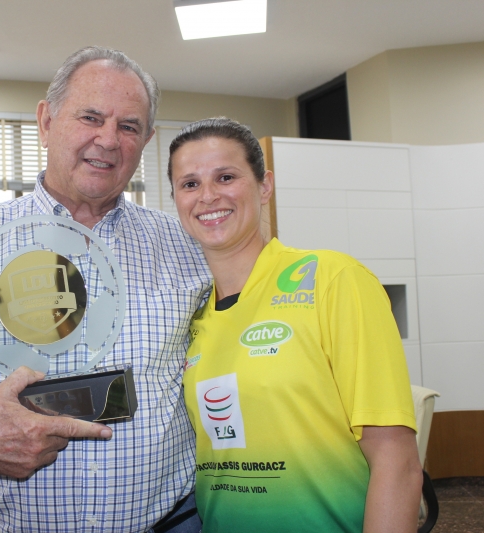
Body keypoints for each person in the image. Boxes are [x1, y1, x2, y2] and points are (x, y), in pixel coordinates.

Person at [0, 47, 212, 533]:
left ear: (146, 141)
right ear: (46, 121)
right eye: (90, 117)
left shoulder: (187, 245)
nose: (108, 139)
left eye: (129, 127)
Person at [168, 117, 424, 532]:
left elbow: (398, 462)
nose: (208, 196)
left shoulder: (332, 279)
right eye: (190, 184)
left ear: (264, 186)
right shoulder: (193, 318)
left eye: (226, 177)